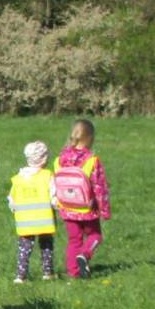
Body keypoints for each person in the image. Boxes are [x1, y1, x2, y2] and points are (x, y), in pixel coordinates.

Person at [53, 119, 111, 279]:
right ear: (90, 138)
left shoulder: (59, 159)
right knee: (95, 236)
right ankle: (85, 255)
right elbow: (100, 187)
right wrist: (105, 210)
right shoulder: (92, 160)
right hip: (87, 209)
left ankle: (73, 272)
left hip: (67, 208)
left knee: (74, 240)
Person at [7, 141, 57, 283]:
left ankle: (20, 276)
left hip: (24, 221)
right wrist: (57, 207)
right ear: (44, 158)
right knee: (46, 245)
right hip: (44, 219)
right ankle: (48, 273)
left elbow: (12, 199)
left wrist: (15, 209)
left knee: (24, 249)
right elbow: (54, 197)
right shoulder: (47, 175)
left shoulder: (18, 178)